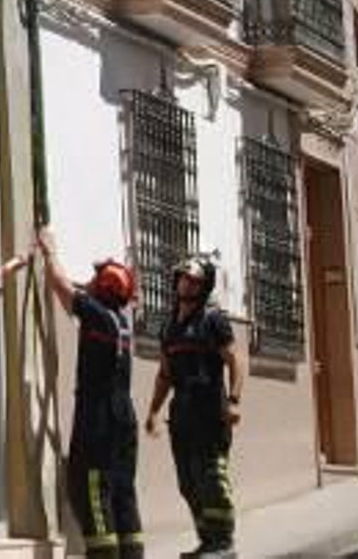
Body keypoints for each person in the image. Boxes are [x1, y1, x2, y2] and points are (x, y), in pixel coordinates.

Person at [38, 227, 143, 559]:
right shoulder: (119, 321)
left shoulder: (97, 316)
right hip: (123, 418)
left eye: (96, 279)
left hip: (100, 420)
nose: (90, 282)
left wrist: (49, 251)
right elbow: (81, 291)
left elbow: (60, 285)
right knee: (122, 491)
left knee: (94, 490)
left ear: (104, 288)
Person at [145, 254, 245, 558]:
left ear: (203, 287)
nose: (185, 284)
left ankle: (224, 543)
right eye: (183, 278)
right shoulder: (168, 327)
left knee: (211, 478)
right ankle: (207, 540)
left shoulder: (213, 320)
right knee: (188, 483)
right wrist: (153, 411)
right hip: (182, 418)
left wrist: (234, 401)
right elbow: (165, 374)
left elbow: (236, 361)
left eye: (193, 281)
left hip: (210, 415)